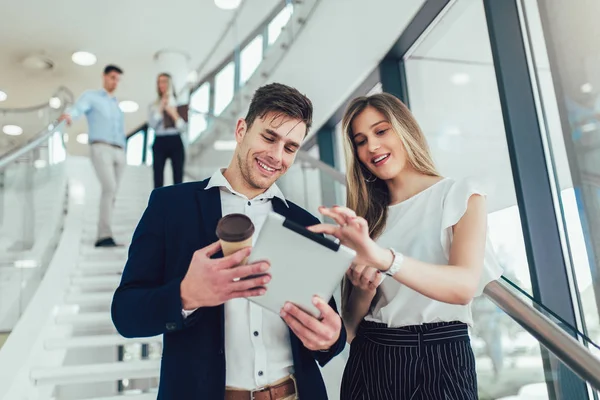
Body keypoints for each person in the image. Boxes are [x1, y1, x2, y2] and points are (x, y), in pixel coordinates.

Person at [111, 83, 346, 400]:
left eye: (290, 147)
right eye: (269, 137)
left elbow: (323, 329)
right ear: (241, 130)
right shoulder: (170, 207)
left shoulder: (305, 224)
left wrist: (332, 337)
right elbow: (125, 314)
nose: (276, 156)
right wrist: (185, 295)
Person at [308, 93, 503, 399]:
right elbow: (350, 327)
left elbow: (463, 286)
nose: (371, 146)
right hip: (371, 355)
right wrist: (363, 290)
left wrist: (384, 259)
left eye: (381, 131)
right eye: (360, 140)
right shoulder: (367, 218)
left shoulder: (459, 194)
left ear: (405, 130)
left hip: (440, 357)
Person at [59, 65, 126, 248]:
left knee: (112, 193)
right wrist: (69, 115)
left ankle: (107, 231)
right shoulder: (92, 97)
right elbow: (79, 108)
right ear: (104, 77)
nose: (115, 82)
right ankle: (103, 235)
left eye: (118, 79)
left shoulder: (116, 105)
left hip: (120, 150)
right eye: (112, 77)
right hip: (101, 147)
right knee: (109, 187)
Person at [148, 73, 186, 188]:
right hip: (160, 140)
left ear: (170, 84)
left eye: (164, 81)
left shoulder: (180, 104)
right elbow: (152, 125)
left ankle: (177, 204)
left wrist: (173, 113)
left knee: (178, 176)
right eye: (159, 82)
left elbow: (183, 128)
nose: (162, 84)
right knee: (158, 176)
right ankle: (159, 203)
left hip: (175, 140)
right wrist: (160, 108)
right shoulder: (153, 106)